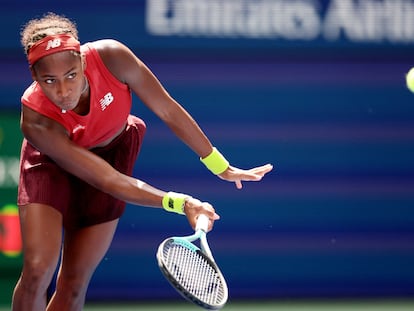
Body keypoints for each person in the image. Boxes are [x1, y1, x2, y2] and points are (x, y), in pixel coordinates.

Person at [12, 12, 273, 311]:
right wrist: (181, 202)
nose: (63, 90)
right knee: (37, 270)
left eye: (71, 75)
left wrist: (219, 165)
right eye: (50, 80)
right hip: (50, 166)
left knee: (73, 282)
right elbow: (107, 180)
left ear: (83, 62)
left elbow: (167, 110)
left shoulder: (113, 57)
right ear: (35, 78)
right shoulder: (36, 120)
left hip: (113, 152)